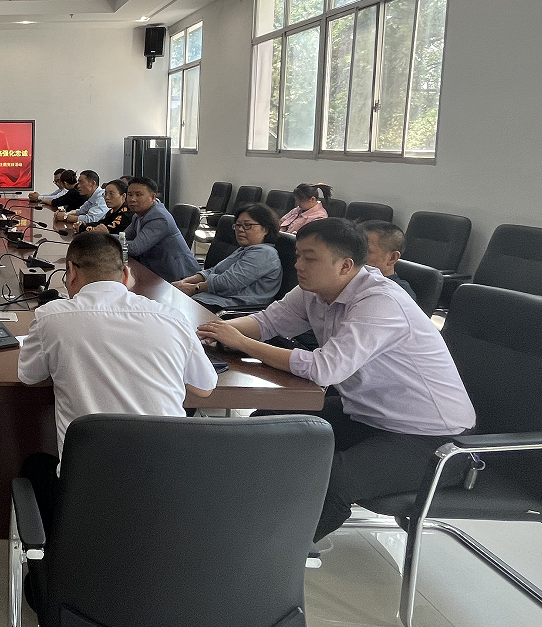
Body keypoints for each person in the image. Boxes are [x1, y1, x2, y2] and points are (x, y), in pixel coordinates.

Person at [195, 218, 475, 553]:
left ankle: (273, 559)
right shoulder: (315, 290)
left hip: (432, 437)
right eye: (298, 255)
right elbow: (267, 322)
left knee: (331, 481)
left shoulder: (381, 301)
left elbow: (324, 369)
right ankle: (241, 518)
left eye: (309, 258)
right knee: (267, 424)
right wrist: (206, 333)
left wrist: (241, 343)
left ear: (345, 265)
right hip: (369, 413)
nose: (298, 265)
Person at [17, 232, 216, 574]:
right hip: (168, 484)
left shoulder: (52, 317)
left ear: (70, 272)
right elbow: (204, 388)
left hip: (89, 490)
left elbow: (28, 376)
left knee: (35, 465)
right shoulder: (171, 317)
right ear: (125, 274)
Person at [173, 203, 282, 311]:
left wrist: (194, 288)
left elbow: (227, 283)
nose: (240, 229)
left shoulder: (264, 254)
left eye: (247, 225)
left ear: (266, 229)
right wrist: (184, 282)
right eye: (238, 225)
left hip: (230, 308)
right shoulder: (245, 249)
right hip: (210, 300)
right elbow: (214, 271)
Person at [122, 177, 201, 282]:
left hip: (178, 277)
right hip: (154, 269)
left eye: (138, 195)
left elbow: (135, 248)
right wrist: (106, 238)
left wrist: (110, 240)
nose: (132, 199)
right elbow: (123, 237)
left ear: (153, 197)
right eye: (130, 194)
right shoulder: (138, 215)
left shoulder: (159, 217)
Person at [359, 220, 417, 302]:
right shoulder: (349, 278)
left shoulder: (399, 294)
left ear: (392, 258)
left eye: (364, 251)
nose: (353, 256)